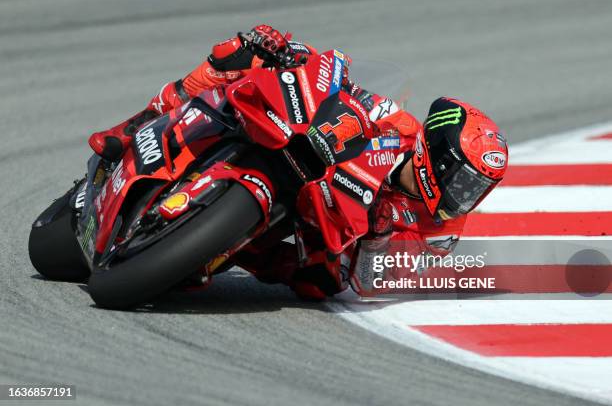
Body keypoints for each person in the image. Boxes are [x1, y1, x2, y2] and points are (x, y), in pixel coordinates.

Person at [88, 25, 508, 299]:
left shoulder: (443, 229)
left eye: (477, 188)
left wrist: (376, 238)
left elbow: (375, 280)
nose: (465, 194)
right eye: (463, 179)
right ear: (435, 153)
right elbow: (346, 89)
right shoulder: (398, 126)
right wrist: (294, 55)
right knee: (242, 53)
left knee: (319, 285)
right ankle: (135, 125)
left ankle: (216, 251)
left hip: (324, 229)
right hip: (302, 152)